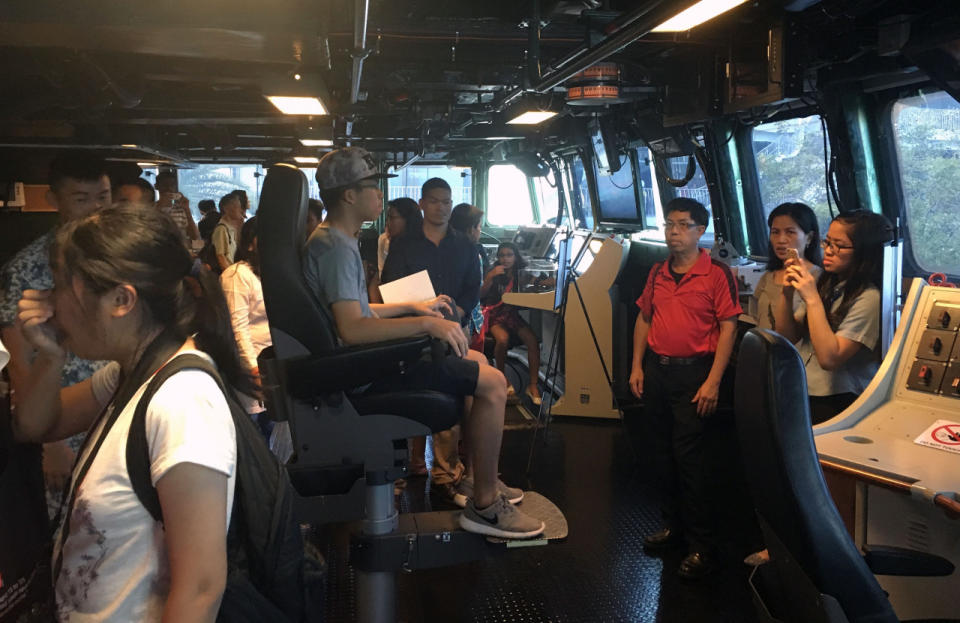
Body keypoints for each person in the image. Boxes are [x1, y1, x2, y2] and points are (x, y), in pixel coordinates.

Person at [13, 203, 246, 621]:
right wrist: (51, 355)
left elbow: (200, 589)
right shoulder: (129, 375)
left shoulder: (183, 400)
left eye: (62, 286)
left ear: (121, 300)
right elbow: (35, 425)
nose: (49, 300)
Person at [305, 147, 543, 539]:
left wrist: (416, 307)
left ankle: (474, 479)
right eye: (372, 187)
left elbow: (359, 312)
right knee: (495, 383)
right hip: (358, 374)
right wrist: (426, 326)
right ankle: (484, 504)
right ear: (349, 195)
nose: (380, 196)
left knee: (478, 356)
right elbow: (352, 329)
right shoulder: (335, 248)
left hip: (354, 365)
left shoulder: (336, 240)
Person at [628, 197, 741, 580]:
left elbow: (729, 327)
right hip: (658, 371)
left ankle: (701, 546)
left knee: (691, 460)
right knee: (661, 455)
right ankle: (672, 528)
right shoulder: (658, 271)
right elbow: (645, 318)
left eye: (682, 225)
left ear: (699, 230)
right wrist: (636, 367)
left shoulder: (716, 274)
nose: (673, 232)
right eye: (669, 224)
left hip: (695, 375)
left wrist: (713, 381)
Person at [0, 150, 112, 519]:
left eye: (103, 196)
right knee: (73, 529)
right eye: (81, 199)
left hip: (117, 412)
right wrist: (52, 441)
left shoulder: (121, 258)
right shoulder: (29, 268)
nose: (95, 208)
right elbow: (19, 361)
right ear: (53, 200)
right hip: (64, 422)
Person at [381, 180, 487, 504]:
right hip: (412, 330)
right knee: (408, 394)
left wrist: (459, 309)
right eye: (435, 201)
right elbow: (390, 286)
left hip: (454, 329)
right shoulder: (403, 244)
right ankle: (404, 470)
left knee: (451, 395)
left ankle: (446, 473)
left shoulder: (465, 246)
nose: (441, 207)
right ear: (423, 203)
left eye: (447, 202)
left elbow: (473, 287)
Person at [775, 210, 892, 425]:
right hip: (805, 387)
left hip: (839, 399)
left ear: (865, 251)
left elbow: (830, 358)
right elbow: (787, 335)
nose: (828, 251)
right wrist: (787, 292)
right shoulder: (828, 283)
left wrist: (811, 299)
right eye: (827, 242)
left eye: (839, 246)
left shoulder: (869, 298)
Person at [220, 216, 272, 437]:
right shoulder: (237, 275)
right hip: (251, 371)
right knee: (255, 432)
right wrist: (253, 369)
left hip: (272, 366)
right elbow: (237, 327)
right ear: (251, 243)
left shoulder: (268, 274)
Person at [481, 242, 542, 405]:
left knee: (532, 341)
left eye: (509, 255)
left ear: (516, 257)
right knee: (502, 339)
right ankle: (502, 378)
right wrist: (490, 276)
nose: (505, 259)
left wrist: (550, 281)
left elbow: (537, 281)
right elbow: (481, 294)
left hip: (511, 315)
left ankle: (533, 385)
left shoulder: (520, 273)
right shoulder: (493, 272)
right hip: (494, 314)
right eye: (502, 255)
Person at [750, 202, 823, 330]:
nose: (781, 240)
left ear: (809, 238)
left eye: (790, 232)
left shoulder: (818, 277)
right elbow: (756, 316)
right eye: (775, 232)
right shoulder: (768, 276)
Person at [450, 203, 488, 348]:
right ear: (471, 229)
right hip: (470, 320)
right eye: (479, 227)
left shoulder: (445, 248)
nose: (480, 231)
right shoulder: (473, 254)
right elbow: (477, 289)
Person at [378, 197, 422, 275]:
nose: (387, 222)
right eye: (387, 218)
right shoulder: (394, 243)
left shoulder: (419, 247)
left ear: (408, 219)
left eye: (392, 218)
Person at [155, 171, 200, 243]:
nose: (168, 188)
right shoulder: (150, 209)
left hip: (179, 252)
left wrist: (187, 209)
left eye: (172, 185)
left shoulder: (181, 210)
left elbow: (194, 236)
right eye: (164, 185)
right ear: (156, 186)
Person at [212, 192, 245, 273]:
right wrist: (231, 275)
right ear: (226, 209)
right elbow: (220, 256)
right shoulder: (221, 229)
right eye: (238, 207)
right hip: (228, 275)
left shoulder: (231, 228)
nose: (241, 210)